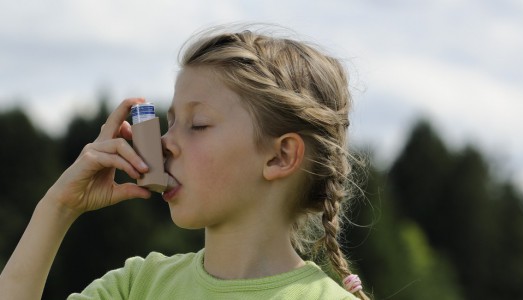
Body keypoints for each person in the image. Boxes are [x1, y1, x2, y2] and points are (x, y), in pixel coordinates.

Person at [0, 25, 369, 300]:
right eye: (170, 121)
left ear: (280, 155)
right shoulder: (137, 287)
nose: (164, 142)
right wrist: (58, 207)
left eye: (198, 125)